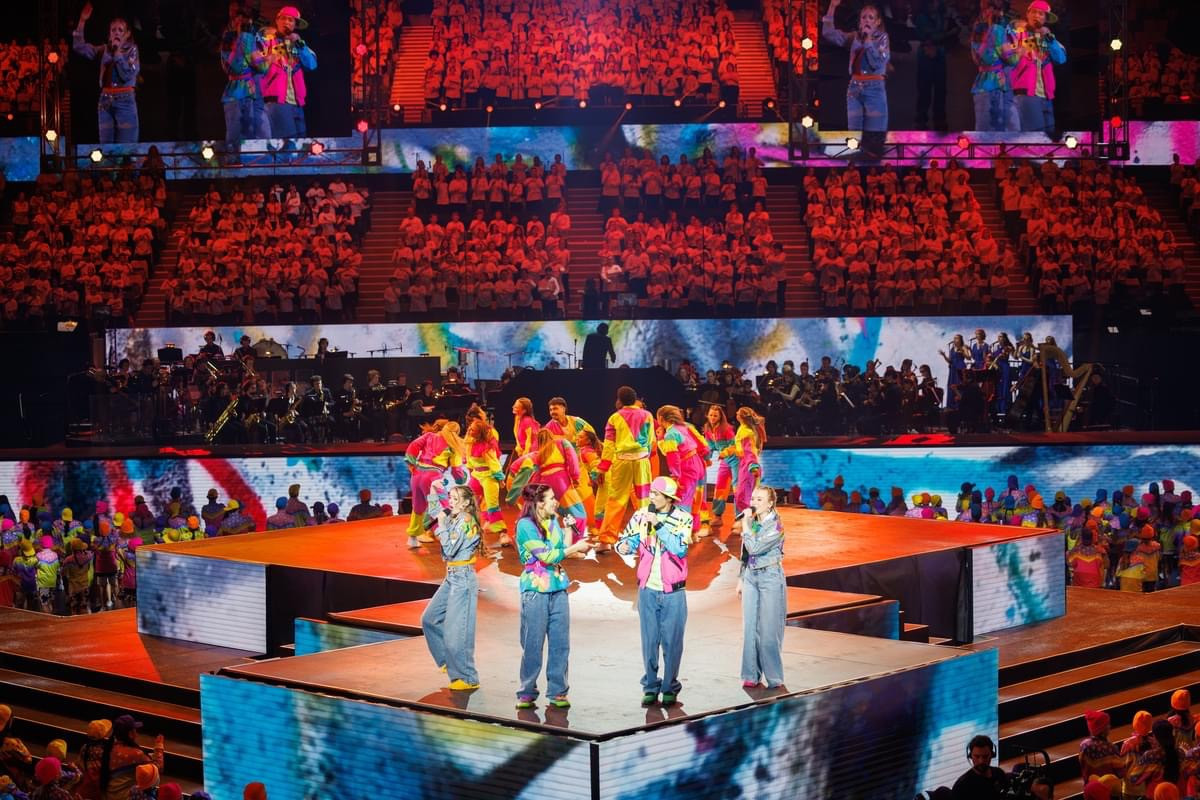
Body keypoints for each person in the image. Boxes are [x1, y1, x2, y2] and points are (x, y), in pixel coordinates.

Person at [514, 484, 593, 710]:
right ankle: (527, 692)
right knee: (533, 644)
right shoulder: (525, 525)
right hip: (535, 590)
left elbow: (560, 550)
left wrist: (568, 531)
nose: (555, 501)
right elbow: (547, 557)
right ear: (538, 503)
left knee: (560, 644)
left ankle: (558, 691)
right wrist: (575, 548)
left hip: (558, 587)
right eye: (550, 498)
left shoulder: (552, 521)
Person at [616, 476, 693, 707]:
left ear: (668, 498)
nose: (651, 497)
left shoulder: (684, 518)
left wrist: (658, 525)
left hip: (673, 593)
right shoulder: (641, 515)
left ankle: (670, 686)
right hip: (648, 590)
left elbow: (679, 549)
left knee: (672, 643)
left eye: (656, 494)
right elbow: (625, 540)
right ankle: (650, 685)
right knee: (649, 642)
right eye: (650, 492)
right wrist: (624, 546)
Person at [421, 481, 482, 691]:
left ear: (465, 503)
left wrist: (441, 527)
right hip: (451, 576)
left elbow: (450, 549)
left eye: (456, 499)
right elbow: (436, 512)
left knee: (457, 631)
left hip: (463, 578)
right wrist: (432, 491)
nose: (451, 502)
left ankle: (467, 677)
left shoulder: (466, 521)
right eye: (450, 498)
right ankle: (448, 660)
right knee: (429, 619)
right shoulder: (455, 517)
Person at [822, 0, 890, 159]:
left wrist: (868, 41)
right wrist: (832, 7)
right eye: (864, 17)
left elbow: (877, 63)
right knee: (854, 134)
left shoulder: (882, 38)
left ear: (878, 22)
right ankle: (854, 160)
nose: (866, 20)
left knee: (875, 134)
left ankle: (873, 161)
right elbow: (829, 34)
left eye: (871, 17)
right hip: (854, 88)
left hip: (874, 87)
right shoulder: (854, 37)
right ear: (859, 21)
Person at [736, 485, 786, 690]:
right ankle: (750, 674)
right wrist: (741, 578)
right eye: (753, 499)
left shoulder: (777, 526)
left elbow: (755, 547)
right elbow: (746, 553)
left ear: (770, 503)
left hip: (770, 577)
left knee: (769, 630)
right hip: (751, 577)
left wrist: (745, 525)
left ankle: (774, 676)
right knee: (749, 628)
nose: (754, 503)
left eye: (759, 499)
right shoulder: (753, 523)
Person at [596, 386, 656, 549]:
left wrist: (602, 468)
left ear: (619, 400)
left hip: (622, 463)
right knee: (644, 499)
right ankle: (648, 538)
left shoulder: (614, 418)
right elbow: (651, 441)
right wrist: (644, 456)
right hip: (642, 462)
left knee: (616, 500)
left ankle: (606, 540)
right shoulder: (647, 415)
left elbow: (609, 446)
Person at [73, 3, 140, 144]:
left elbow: (127, 75)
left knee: (126, 147)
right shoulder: (103, 50)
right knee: (107, 148)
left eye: (120, 30)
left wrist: (117, 53)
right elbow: (78, 47)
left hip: (125, 100)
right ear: (109, 34)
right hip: (105, 100)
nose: (116, 33)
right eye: (113, 30)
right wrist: (82, 21)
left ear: (127, 34)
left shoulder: (132, 51)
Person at [404, 420, 467, 548]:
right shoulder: (452, 445)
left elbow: (413, 445)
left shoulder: (429, 436)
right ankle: (447, 537)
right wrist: (461, 479)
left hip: (417, 475)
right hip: (432, 478)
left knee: (418, 507)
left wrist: (411, 462)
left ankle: (412, 538)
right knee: (444, 506)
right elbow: (457, 471)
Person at [1009, 0, 1067, 136]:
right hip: (1026, 94)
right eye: (1034, 12)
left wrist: (1049, 38)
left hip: (1046, 96)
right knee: (1034, 137)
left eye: (1041, 14)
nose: (1037, 16)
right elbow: (1016, 56)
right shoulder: (1018, 33)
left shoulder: (1048, 38)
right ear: (1028, 14)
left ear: (1045, 19)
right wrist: (1033, 35)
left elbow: (1061, 59)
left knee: (1048, 138)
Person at [260, 6, 318, 138]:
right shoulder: (268, 40)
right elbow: (263, 65)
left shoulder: (298, 43)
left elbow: (312, 65)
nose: (286, 22)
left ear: (295, 25)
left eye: (291, 20)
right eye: (283, 19)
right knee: (286, 142)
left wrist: (299, 44)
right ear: (277, 20)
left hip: (297, 103)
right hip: (277, 101)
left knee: (301, 142)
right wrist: (283, 44)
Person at [220, 2, 270, 150]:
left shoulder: (249, 37)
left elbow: (259, 65)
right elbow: (259, 66)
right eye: (238, 17)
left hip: (245, 90)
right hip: (239, 91)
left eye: (245, 18)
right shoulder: (238, 38)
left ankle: (242, 158)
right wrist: (269, 58)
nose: (241, 21)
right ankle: (237, 159)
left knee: (246, 132)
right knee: (240, 134)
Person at [655, 405, 709, 536]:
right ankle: (694, 530)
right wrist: (706, 457)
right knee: (697, 498)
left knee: (683, 498)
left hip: (687, 466)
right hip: (698, 463)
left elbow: (672, 456)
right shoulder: (686, 426)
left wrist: (675, 476)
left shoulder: (671, 434)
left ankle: (681, 532)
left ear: (661, 418)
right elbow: (703, 444)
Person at [970, 0, 1020, 131]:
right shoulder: (998, 30)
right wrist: (1020, 49)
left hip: (982, 83)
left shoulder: (977, 31)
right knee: (1003, 131)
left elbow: (976, 59)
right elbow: (1012, 59)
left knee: (984, 132)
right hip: (997, 84)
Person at [99, 715, 163, 800]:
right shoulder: (136, 754)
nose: (137, 734)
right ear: (130, 734)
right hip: (123, 797)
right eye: (135, 730)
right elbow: (157, 769)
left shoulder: (109, 747)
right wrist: (159, 747)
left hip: (109, 794)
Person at [701, 405, 738, 531]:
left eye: (715, 416)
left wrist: (725, 453)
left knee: (737, 489)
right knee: (720, 488)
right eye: (711, 415)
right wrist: (706, 458)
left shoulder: (726, 429)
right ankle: (717, 516)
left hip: (735, 460)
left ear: (720, 417)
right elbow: (710, 447)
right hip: (725, 461)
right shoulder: (708, 429)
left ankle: (740, 518)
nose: (712, 418)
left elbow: (734, 445)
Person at [725, 407, 765, 515]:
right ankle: (747, 518)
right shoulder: (743, 429)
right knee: (744, 496)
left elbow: (750, 451)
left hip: (749, 466)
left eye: (738, 413)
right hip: (745, 464)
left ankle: (750, 519)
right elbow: (742, 448)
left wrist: (753, 466)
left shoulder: (746, 432)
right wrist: (727, 452)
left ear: (741, 417)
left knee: (742, 497)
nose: (736, 414)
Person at [1079, 710, 1125, 782]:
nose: (1110, 726)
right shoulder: (1110, 748)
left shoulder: (1084, 745)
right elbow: (1120, 772)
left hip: (1092, 784)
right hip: (1108, 785)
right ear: (1102, 729)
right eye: (1107, 724)